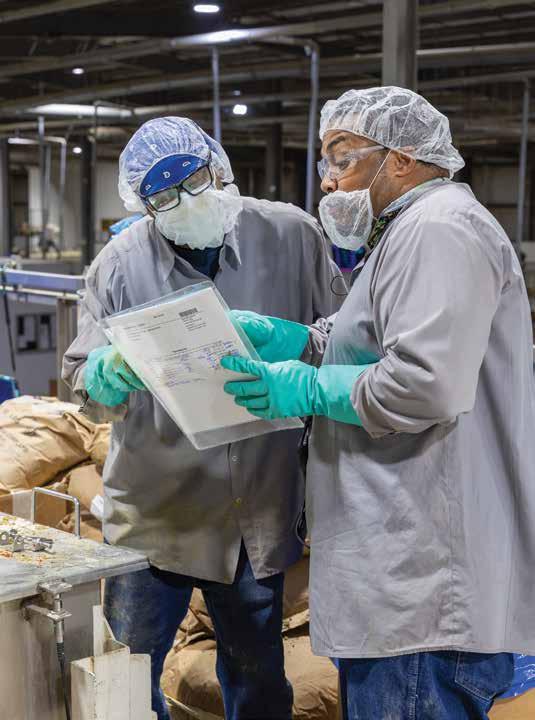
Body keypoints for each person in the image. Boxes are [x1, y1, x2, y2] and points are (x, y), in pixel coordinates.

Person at [223, 86, 535, 720]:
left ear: (402, 158)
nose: (329, 180)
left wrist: (305, 387)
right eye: (325, 162)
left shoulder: (441, 229)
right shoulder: (406, 233)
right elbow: (372, 342)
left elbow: (423, 383)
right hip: (399, 578)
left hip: (424, 587)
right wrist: (301, 341)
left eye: (342, 157)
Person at [62, 116, 339, 720]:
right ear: (143, 206)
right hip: (156, 515)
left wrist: (297, 342)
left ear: (218, 167)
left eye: (195, 181)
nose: (187, 202)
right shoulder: (118, 266)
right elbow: (81, 377)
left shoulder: (291, 235)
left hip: (256, 514)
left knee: (258, 680)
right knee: (125, 680)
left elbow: (345, 337)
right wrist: (106, 372)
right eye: (165, 197)